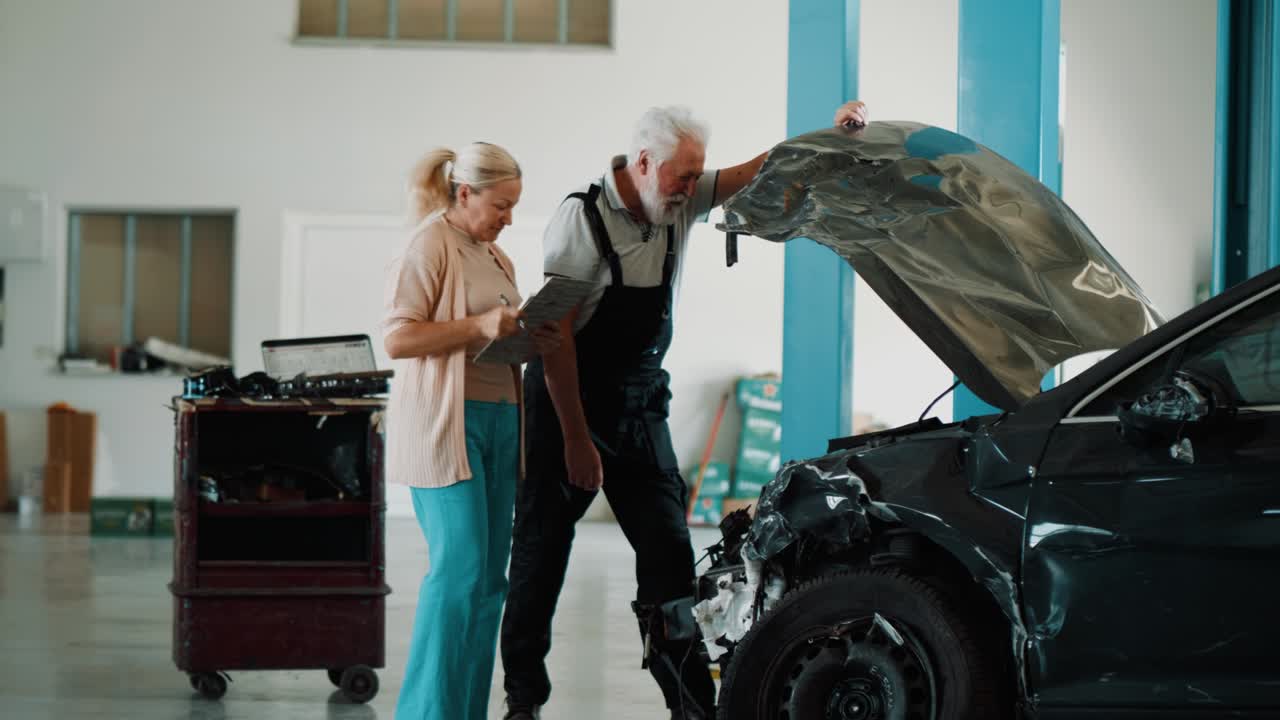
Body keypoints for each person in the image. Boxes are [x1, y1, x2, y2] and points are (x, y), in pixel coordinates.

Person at [500, 101, 869, 720]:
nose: (693, 190)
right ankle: (523, 701)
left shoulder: (678, 200)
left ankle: (691, 705)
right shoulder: (580, 218)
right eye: (683, 176)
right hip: (566, 401)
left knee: (669, 557)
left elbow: (756, 169)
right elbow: (552, 337)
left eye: (698, 177)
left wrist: (831, 134)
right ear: (645, 163)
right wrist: (575, 441)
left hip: (641, 404)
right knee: (540, 557)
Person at [383, 141, 560, 720]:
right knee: (457, 573)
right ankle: (425, 713)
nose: (509, 219)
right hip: (446, 426)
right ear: (466, 193)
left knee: (488, 585)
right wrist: (478, 324)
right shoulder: (429, 243)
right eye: (501, 206)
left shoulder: (498, 258)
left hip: (501, 422)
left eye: (513, 207)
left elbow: (494, 337)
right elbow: (399, 339)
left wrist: (533, 334)